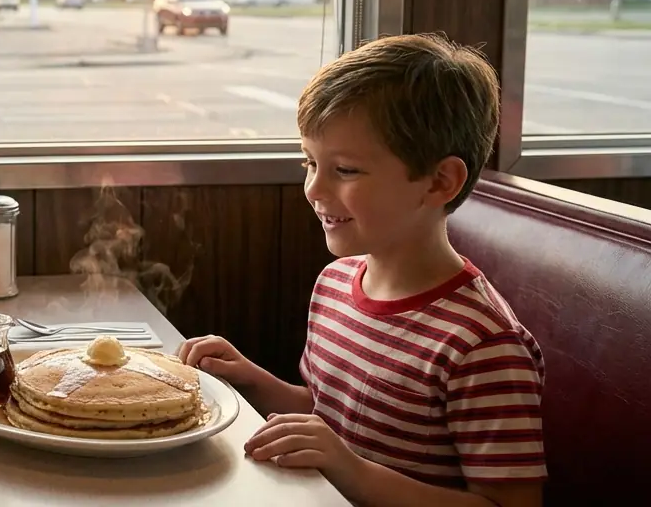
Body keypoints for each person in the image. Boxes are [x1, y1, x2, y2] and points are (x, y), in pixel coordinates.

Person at [179, 33, 546, 507]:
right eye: (310, 162)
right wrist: (253, 379)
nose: (313, 189)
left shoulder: (481, 344)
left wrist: (351, 471)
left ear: (439, 182)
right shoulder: (333, 285)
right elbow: (329, 417)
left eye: (345, 170)